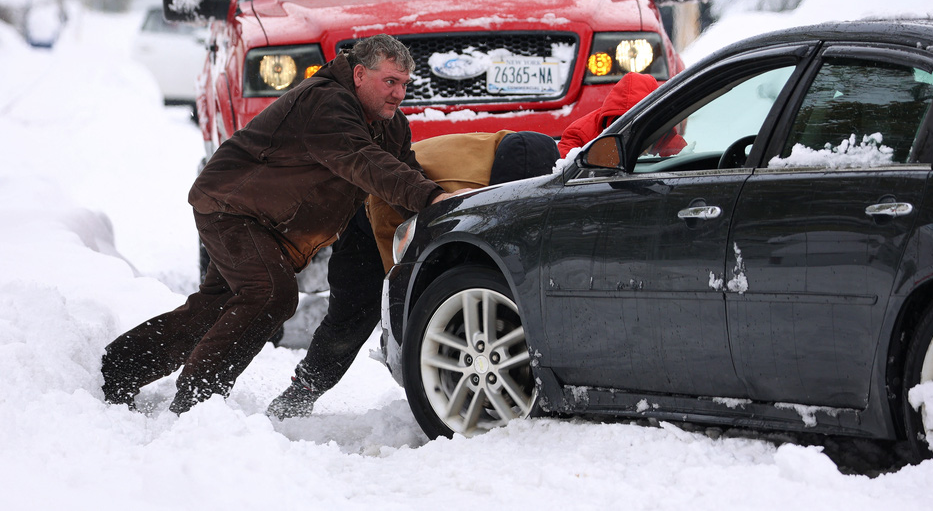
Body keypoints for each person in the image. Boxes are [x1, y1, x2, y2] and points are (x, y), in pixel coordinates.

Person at [101, 34, 457, 415]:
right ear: (358, 74)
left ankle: (120, 368)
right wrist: (427, 195)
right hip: (231, 207)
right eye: (389, 82)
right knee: (271, 293)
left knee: (216, 308)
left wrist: (442, 209)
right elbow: (362, 160)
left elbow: (402, 172)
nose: (399, 94)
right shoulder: (325, 102)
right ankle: (197, 401)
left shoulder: (390, 125)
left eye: (404, 84)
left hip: (271, 225)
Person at [266, 130, 559, 420]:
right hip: (379, 209)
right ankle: (303, 390)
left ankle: (304, 389)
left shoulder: (503, 174)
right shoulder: (386, 206)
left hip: (507, 169)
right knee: (352, 315)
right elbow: (399, 287)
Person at [557, 71, 685, 158]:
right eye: (627, 130)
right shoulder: (579, 137)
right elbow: (561, 181)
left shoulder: (672, 147)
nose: (633, 137)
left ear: (655, 124)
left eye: (641, 128)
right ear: (612, 123)